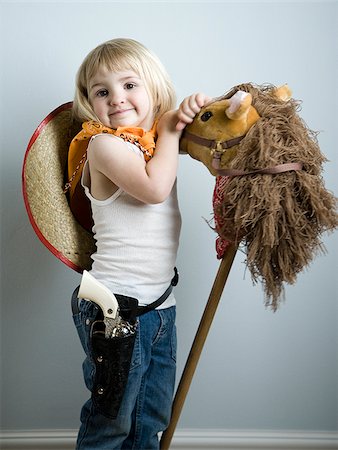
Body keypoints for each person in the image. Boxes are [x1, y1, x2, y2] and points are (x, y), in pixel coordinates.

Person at [69, 37, 210, 450]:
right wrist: (169, 128)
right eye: (102, 91)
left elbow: (213, 147)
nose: (116, 98)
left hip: (159, 305)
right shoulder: (104, 145)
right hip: (115, 306)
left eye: (130, 85)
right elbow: (154, 190)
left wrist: (194, 114)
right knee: (112, 419)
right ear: (89, 102)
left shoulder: (150, 144)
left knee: (151, 415)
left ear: (155, 89)